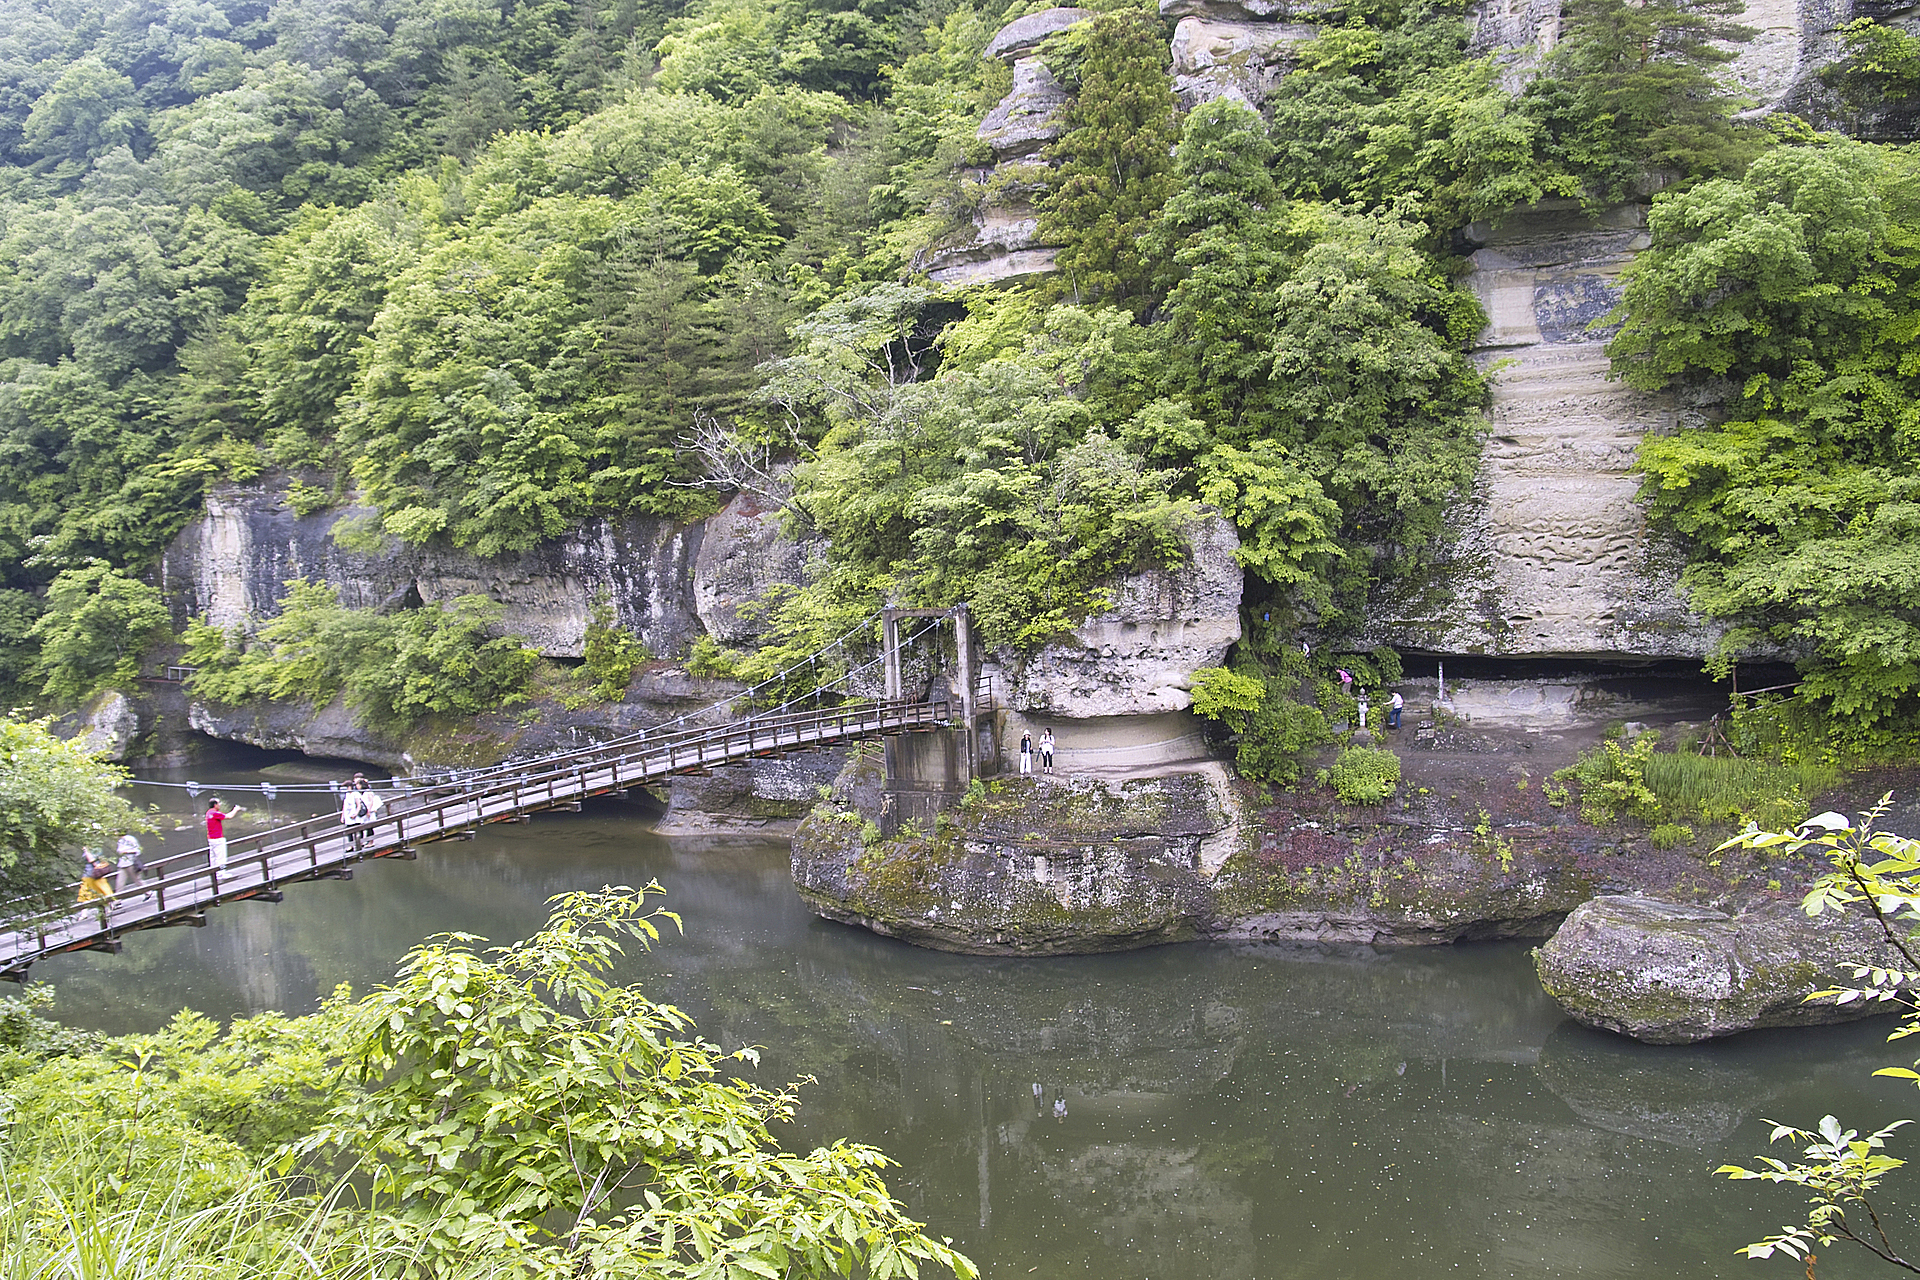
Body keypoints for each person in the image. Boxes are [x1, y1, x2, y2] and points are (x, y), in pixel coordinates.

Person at [343, 774, 384, 850]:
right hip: (365, 812)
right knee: (365, 827)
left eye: (358, 785)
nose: (357, 786)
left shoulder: (368, 792)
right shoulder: (360, 793)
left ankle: (371, 842)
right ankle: (366, 841)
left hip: (369, 812)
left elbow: (371, 801)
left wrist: (368, 811)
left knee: (369, 827)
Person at [205, 799, 240, 871]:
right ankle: (221, 874)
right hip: (218, 839)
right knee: (221, 858)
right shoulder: (215, 813)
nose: (220, 804)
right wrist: (235, 809)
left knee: (213, 858)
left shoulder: (208, 813)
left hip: (211, 839)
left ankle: (214, 874)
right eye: (219, 803)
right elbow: (229, 816)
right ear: (215, 805)